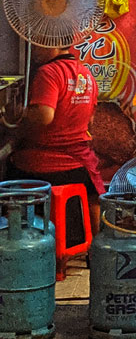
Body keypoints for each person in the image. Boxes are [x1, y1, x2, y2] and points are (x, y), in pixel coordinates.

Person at [8, 43, 104, 233]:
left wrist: (20, 112)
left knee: (10, 165)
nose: (33, 52)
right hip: (80, 166)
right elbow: (91, 121)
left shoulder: (48, 72)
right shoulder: (86, 73)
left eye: (36, 46)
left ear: (51, 43)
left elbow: (45, 115)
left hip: (45, 166)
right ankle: (93, 251)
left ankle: (24, 238)